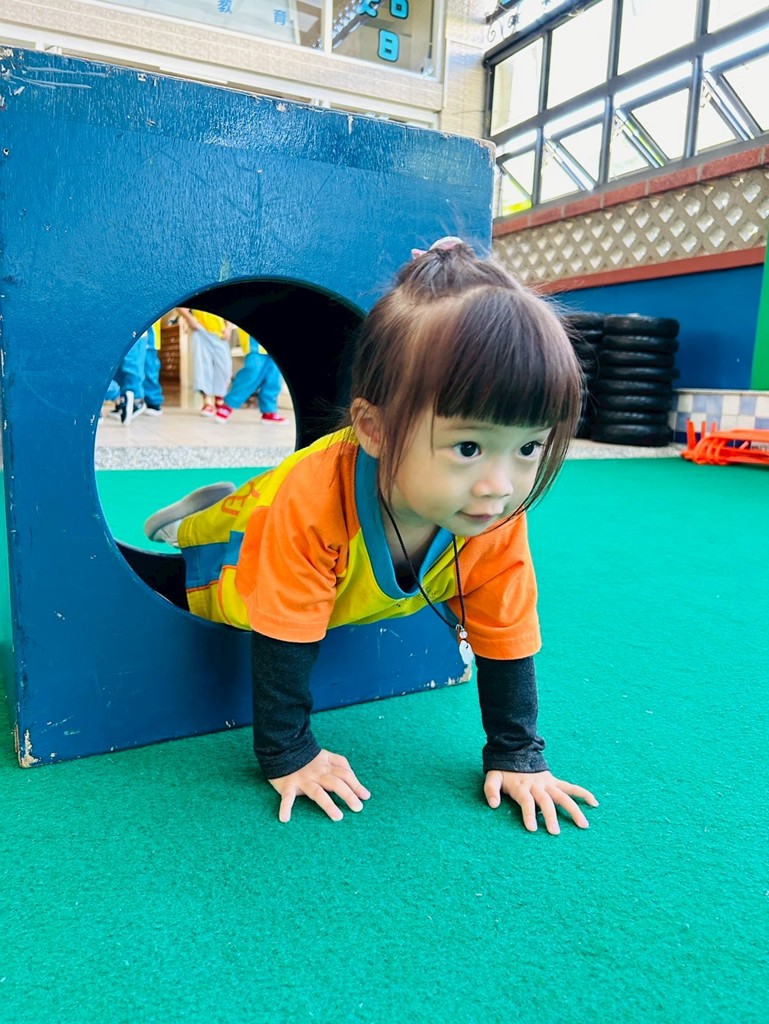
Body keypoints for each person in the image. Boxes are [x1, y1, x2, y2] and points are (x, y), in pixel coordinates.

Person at [144, 238, 598, 832]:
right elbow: (282, 635)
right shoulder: (316, 502)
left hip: (294, 531)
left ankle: (202, 512)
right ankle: (183, 523)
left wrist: (518, 753)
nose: (500, 485)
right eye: (468, 447)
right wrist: (287, 752)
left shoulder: (490, 515)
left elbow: (505, 628)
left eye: (529, 447)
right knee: (192, 571)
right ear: (374, 429)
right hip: (244, 542)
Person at [215, 337, 287, 424]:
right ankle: (228, 405)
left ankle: (269, 411)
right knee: (252, 371)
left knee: (274, 378)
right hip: (255, 343)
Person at [176, 307, 233, 416]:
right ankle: (207, 401)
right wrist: (190, 319)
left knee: (224, 368)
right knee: (203, 366)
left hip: (220, 331)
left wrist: (229, 327)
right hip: (200, 330)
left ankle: (219, 396)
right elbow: (180, 306)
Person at [108, 322, 164, 424]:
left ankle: (136, 400)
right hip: (121, 326)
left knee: (133, 362)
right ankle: (123, 400)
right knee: (121, 363)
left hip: (137, 327)